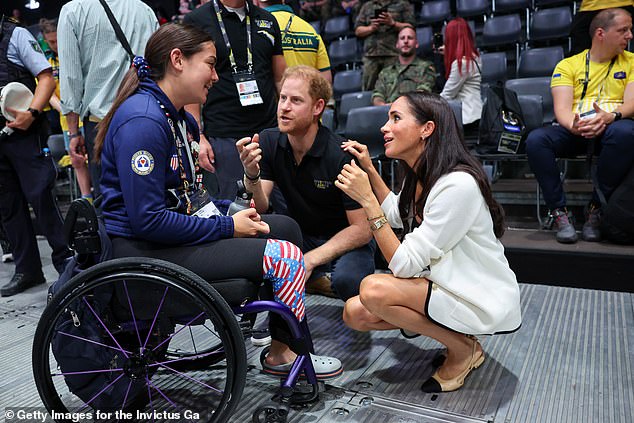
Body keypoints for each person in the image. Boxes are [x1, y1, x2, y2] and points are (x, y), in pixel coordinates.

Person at [95, 23, 342, 379]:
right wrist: (228, 226)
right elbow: (146, 220)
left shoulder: (174, 116)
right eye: (210, 64)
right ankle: (298, 357)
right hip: (140, 249)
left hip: (163, 239)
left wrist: (229, 211)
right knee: (285, 255)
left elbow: (186, 195)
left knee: (285, 228)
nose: (215, 75)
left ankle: (280, 351)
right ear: (178, 60)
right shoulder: (144, 121)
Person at [336, 92, 521, 393]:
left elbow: (403, 265)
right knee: (354, 312)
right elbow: (395, 212)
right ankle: (460, 341)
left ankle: (462, 350)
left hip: (476, 294)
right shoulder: (420, 173)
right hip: (445, 283)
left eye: (396, 118)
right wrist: (370, 170)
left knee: (374, 289)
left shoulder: (458, 185)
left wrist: (367, 200)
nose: (385, 127)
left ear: (427, 129)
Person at [237, 65, 376, 301]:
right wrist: (252, 174)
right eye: (282, 98)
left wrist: (310, 259)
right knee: (254, 241)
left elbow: (362, 230)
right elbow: (260, 206)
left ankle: (316, 273)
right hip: (302, 235)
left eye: (296, 100)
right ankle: (313, 277)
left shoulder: (340, 154)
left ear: (318, 107)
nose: (284, 107)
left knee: (349, 282)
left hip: (347, 239)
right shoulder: (270, 140)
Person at [526, 8, 634, 244]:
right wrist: (573, 125)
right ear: (600, 33)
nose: (630, 36)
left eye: (630, 30)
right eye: (623, 30)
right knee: (536, 140)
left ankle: (596, 208)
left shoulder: (632, 62)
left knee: (626, 132)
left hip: (613, 126)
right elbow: (562, 109)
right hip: (576, 128)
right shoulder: (568, 65)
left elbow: (631, 103)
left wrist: (611, 116)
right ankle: (559, 212)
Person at [184, 0, 286, 201]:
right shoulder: (197, 20)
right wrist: (198, 136)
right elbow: (191, 82)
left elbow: (280, 78)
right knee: (237, 210)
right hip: (224, 136)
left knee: (277, 209)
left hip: (269, 134)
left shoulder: (267, 19)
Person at [0, 15, 72, 297]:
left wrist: (31, 113)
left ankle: (67, 264)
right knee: (8, 204)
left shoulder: (15, 35)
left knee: (41, 195)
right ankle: (27, 270)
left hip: (25, 133)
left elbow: (45, 77)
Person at [57, 0, 158, 198]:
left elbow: (71, 78)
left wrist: (73, 132)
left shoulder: (73, 11)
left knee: (112, 201)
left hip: (102, 125)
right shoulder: (143, 8)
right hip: (148, 117)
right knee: (150, 194)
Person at [39, 18, 92, 202]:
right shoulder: (45, 61)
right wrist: (64, 107)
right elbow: (46, 91)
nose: (55, 45)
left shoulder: (76, 51)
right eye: (51, 41)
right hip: (67, 120)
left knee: (94, 159)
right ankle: (87, 200)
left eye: (57, 40)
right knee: (78, 161)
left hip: (88, 114)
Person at [255, 0, 332, 83]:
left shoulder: (255, 30)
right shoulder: (311, 30)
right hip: (307, 94)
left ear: (256, 1)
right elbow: (326, 79)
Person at [354, 0, 415, 91]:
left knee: (394, 89)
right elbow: (358, 31)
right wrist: (371, 28)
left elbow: (410, 27)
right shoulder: (367, 6)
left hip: (393, 54)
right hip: (371, 56)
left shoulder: (402, 4)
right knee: (369, 89)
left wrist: (393, 23)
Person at [372, 25, 436, 106]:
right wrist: (382, 106)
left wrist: (398, 107)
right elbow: (377, 95)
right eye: (402, 38)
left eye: (410, 38)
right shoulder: (385, 72)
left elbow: (423, 93)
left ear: (416, 44)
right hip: (387, 113)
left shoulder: (426, 68)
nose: (406, 41)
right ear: (397, 44)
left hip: (415, 113)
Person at [439, 18, 482, 132]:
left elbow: (447, 95)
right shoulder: (475, 58)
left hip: (467, 119)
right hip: (475, 115)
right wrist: (448, 52)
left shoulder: (461, 64)